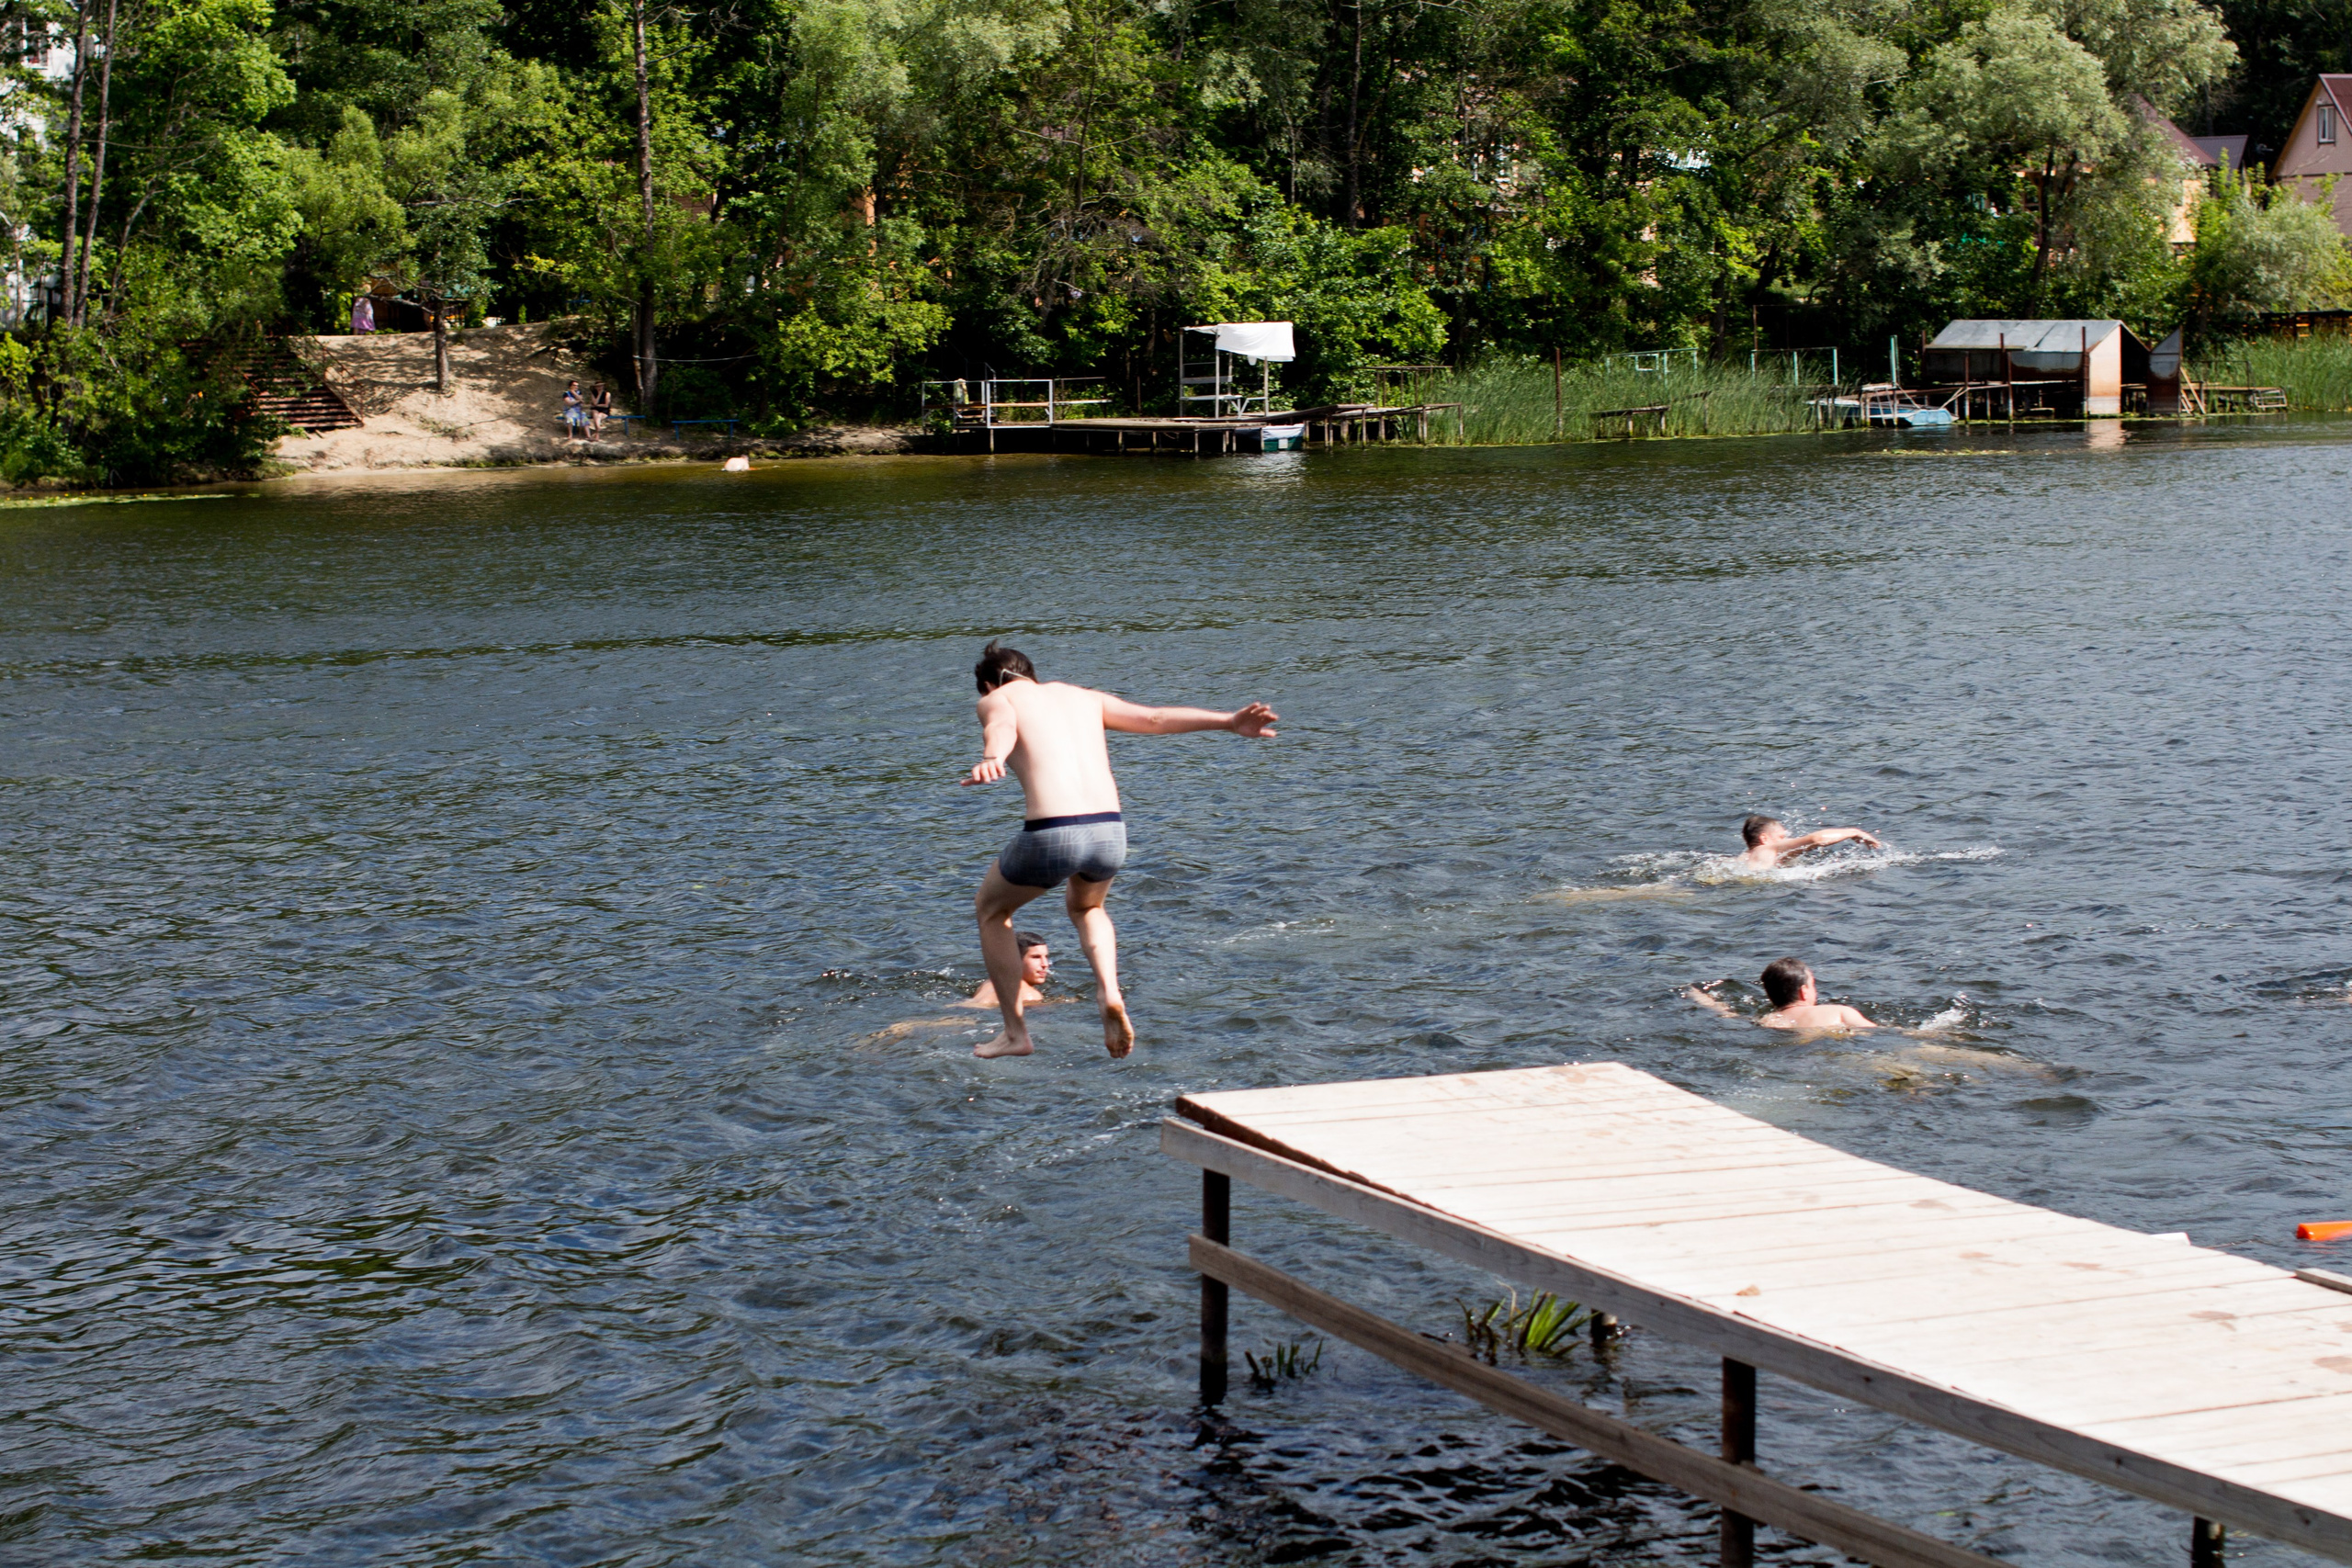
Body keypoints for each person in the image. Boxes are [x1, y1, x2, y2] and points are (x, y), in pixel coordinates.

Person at [961, 639, 1277, 1060]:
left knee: (992, 910)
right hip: (1110, 832)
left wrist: (991, 757)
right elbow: (1154, 717)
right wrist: (1228, 720)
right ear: (1032, 673)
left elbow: (1001, 726)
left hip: (1053, 831)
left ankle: (1015, 1033)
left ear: (987, 684)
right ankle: (1108, 991)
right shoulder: (1083, 697)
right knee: (1088, 908)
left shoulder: (999, 698)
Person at [1689, 957, 1878, 1031]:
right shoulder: (1838, 1012)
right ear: (1804, 991)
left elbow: (1728, 1015)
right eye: (1813, 984)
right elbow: (1877, 1032)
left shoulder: (1767, 1021)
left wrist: (1703, 998)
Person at [1736, 814, 1882, 870]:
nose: (1786, 840)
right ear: (1764, 839)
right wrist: (1853, 832)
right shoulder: (1768, 849)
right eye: (1782, 837)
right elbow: (1817, 839)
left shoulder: (1745, 857)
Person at [958, 931, 1051, 1010]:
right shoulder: (1030, 996)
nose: (1045, 964)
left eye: (1046, 957)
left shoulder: (990, 982)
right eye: (1036, 957)